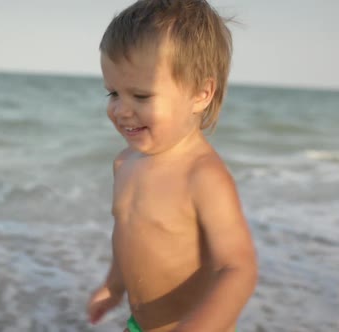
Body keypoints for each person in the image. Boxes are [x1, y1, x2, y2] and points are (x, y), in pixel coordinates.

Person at [86, 1, 258, 331]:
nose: (121, 110)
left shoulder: (203, 176)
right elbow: (127, 234)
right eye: (113, 93)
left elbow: (238, 268)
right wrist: (113, 286)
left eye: (141, 96)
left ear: (201, 93)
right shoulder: (124, 163)